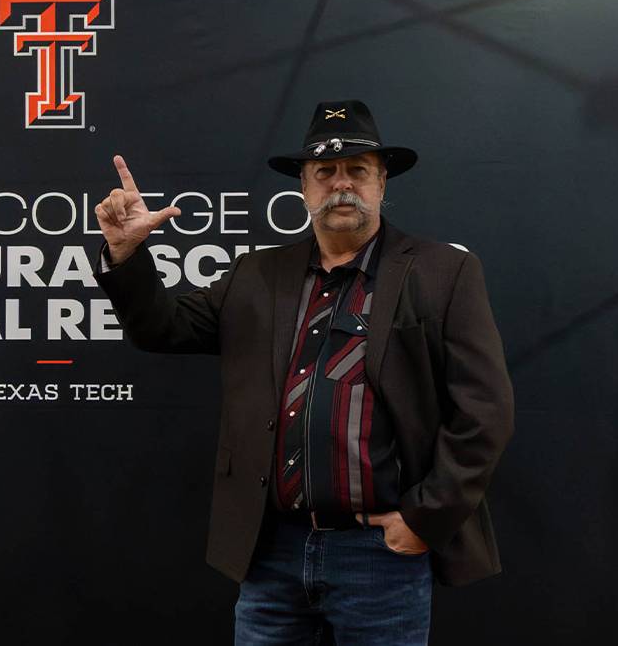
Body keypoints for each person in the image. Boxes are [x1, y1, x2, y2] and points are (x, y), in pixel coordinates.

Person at [92, 99, 514, 645]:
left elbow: (485, 411)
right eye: (325, 172)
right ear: (304, 187)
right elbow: (162, 328)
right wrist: (126, 254)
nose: (342, 184)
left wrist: (425, 518)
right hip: (271, 553)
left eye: (358, 169)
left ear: (382, 181)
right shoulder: (257, 272)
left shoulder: (443, 271)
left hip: (380, 556)